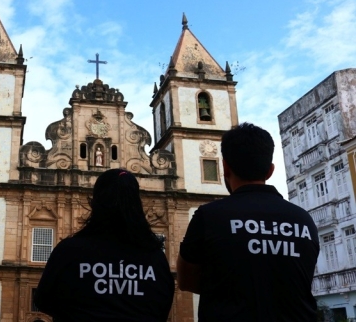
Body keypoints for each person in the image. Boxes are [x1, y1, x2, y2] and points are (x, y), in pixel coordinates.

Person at [177, 123, 320, 321]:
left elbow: (186, 281)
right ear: (270, 170)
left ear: (225, 167)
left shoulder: (209, 216)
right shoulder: (304, 220)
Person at [35, 169, 174, 322]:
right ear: (137, 204)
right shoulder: (156, 258)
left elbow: (43, 301)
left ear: (95, 203)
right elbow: (163, 307)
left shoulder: (69, 251)